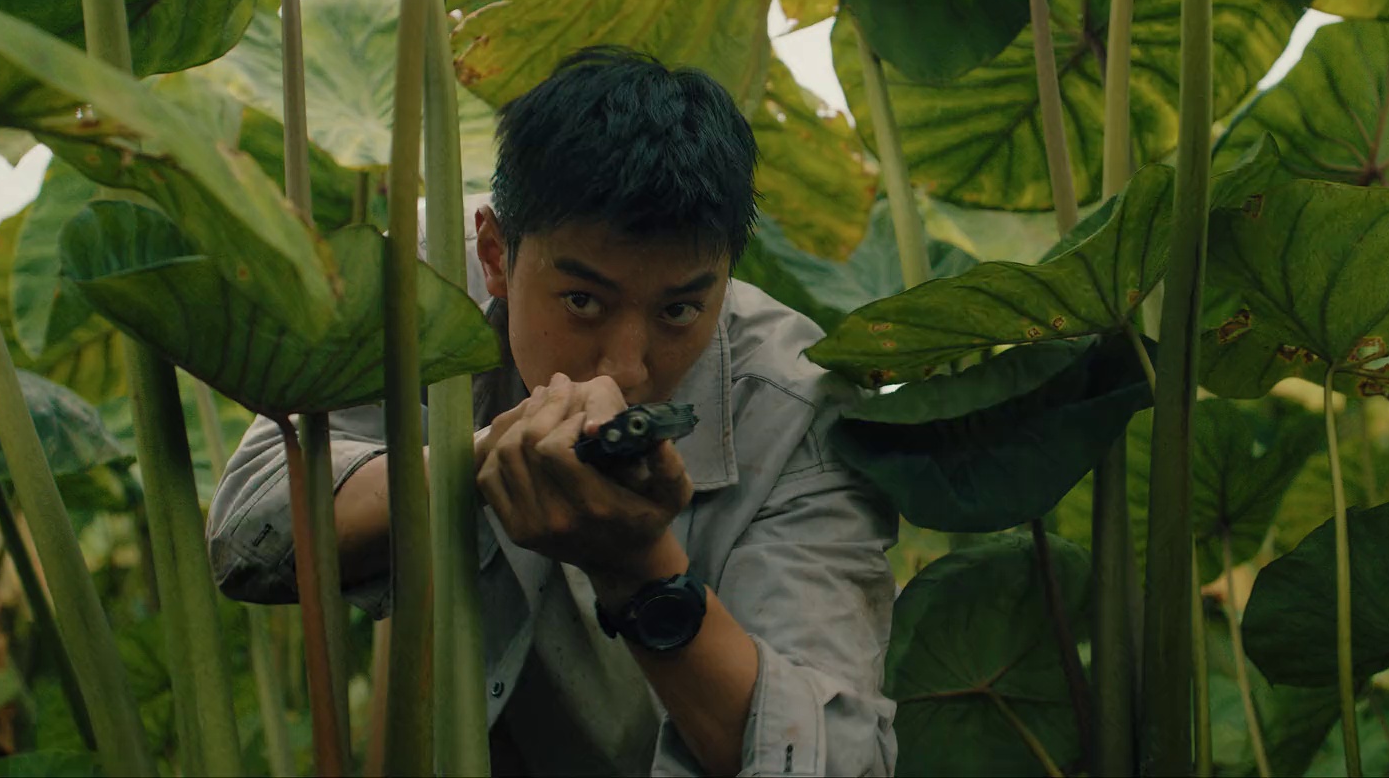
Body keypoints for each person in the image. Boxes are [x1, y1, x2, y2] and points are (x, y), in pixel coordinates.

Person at [205, 45, 900, 776]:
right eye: (583, 301)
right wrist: (478, 459)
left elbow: (836, 764)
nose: (626, 369)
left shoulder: (799, 411)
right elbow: (247, 535)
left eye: (678, 310)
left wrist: (640, 572)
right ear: (495, 254)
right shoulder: (421, 283)